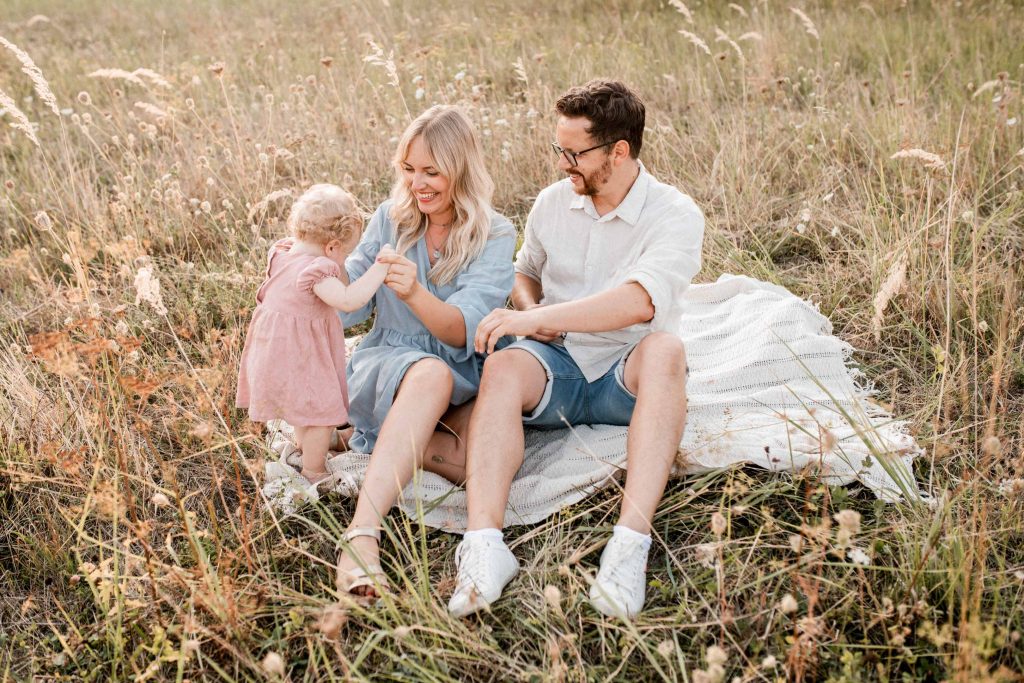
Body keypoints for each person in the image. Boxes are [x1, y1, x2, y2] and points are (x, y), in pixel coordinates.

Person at [449, 80, 705, 619]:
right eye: (558, 149)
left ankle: (628, 545)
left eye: (576, 153)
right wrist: (532, 315)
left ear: (619, 151)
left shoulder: (674, 213)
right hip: (558, 364)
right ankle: (484, 544)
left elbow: (638, 302)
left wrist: (536, 315)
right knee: (502, 366)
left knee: (667, 351)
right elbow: (525, 271)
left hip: (625, 368)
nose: (564, 163)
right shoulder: (552, 202)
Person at [336, 105, 516, 597]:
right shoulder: (390, 220)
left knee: (480, 463)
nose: (418, 183)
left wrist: (416, 291)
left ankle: (365, 437)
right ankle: (362, 535)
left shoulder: (495, 234)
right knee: (430, 375)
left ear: (460, 168)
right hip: (390, 360)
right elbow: (352, 304)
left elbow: (463, 331)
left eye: (431, 171)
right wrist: (315, 280)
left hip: (462, 370)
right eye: (409, 168)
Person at [236, 184, 394, 490]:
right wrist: (380, 269)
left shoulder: (282, 253)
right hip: (302, 353)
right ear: (333, 247)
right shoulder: (318, 271)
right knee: (322, 411)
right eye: (344, 254)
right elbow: (349, 300)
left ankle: (300, 442)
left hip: (272, 350)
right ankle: (314, 469)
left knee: (299, 403)